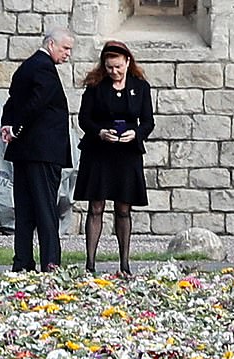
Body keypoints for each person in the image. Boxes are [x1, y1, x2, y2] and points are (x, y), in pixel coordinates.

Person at [74, 40, 155, 275]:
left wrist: (137, 133)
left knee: (123, 208)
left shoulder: (141, 87)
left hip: (127, 153)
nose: (114, 72)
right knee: (96, 206)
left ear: (128, 62)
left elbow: (148, 122)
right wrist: (99, 132)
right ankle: (90, 263)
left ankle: (125, 264)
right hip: (99, 151)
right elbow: (84, 118)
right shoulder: (95, 86)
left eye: (118, 67)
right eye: (109, 67)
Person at [0, 28, 74, 272]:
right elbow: (36, 103)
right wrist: (17, 128)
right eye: (65, 48)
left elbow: (13, 100)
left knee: (24, 209)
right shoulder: (44, 68)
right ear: (51, 44)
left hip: (24, 152)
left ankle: (22, 261)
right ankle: (50, 262)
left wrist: (7, 125)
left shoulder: (27, 66)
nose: (68, 54)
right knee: (45, 208)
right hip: (42, 152)